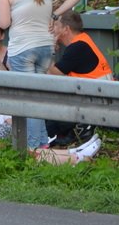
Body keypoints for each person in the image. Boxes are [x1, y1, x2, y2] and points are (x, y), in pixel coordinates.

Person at [0, 0, 81, 150]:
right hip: (45, 47)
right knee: (38, 96)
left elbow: (4, 22)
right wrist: (54, 14)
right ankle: (43, 144)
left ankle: (33, 147)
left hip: (22, 48)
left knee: (27, 99)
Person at [44, 11, 113, 147]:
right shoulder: (83, 40)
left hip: (94, 102)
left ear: (66, 29)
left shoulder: (76, 47)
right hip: (97, 96)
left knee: (49, 123)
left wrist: (49, 49)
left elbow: (53, 73)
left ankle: (80, 130)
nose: (53, 30)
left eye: (57, 26)